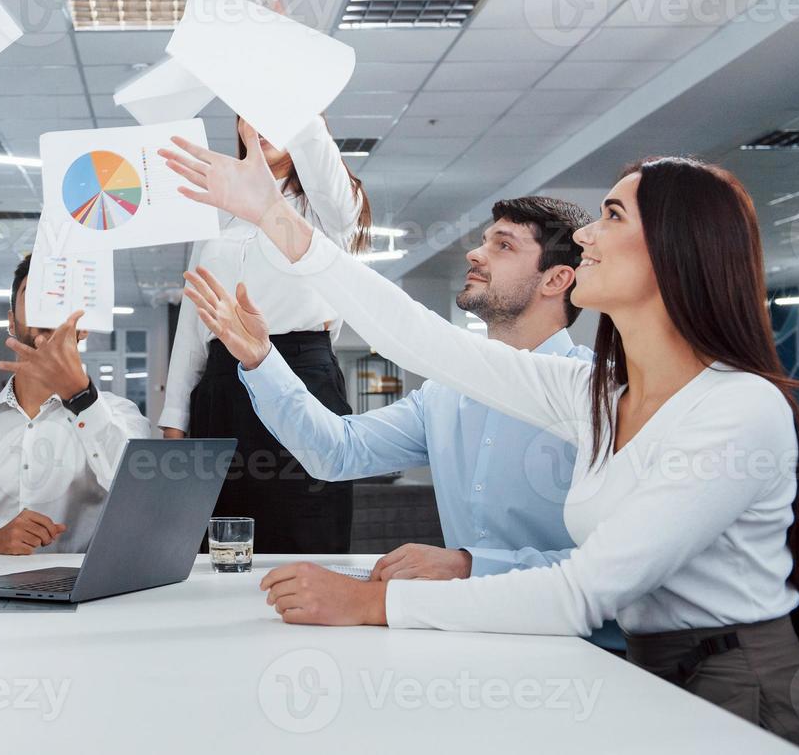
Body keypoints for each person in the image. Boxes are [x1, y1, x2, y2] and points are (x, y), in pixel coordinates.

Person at [161, 127, 799, 742]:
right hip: (641, 665)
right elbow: (420, 340)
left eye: (612, 216)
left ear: (674, 253)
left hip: (733, 683)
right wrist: (272, 219)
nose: (589, 234)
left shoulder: (737, 407)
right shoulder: (593, 398)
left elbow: (580, 593)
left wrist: (373, 601)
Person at [187, 196, 622, 649]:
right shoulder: (447, 394)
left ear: (556, 278)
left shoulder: (600, 396)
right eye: (483, 241)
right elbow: (337, 452)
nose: (475, 254)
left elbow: (619, 565)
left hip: (578, 645)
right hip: (467, 634)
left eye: (504, 246)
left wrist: (469, 565)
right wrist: (262, 359)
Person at [159, 115, 371, 553]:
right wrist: (175, 420)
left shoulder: (327, 207)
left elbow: (328, 180)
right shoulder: (217, 213)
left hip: (301, 374)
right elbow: (192, 323)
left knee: (304, 527)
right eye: (250, 113)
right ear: (238, 128)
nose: (264, 123)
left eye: (277, 110)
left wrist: (305, 112)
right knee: (218, 538)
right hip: (221, 386)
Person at [0, 255, 152, 554]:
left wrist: (80, 396)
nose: (47, 305)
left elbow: (140, 500)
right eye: (35, 294)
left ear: (84, 325)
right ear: (12, 321)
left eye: (58, 298)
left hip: (87, 595)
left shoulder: (122, 416)